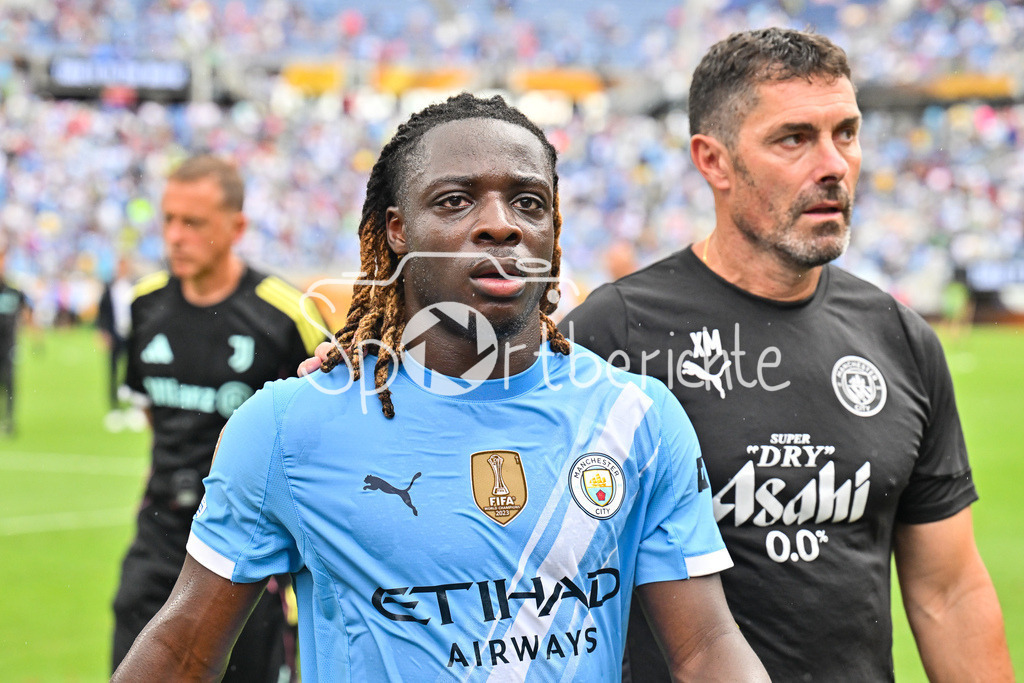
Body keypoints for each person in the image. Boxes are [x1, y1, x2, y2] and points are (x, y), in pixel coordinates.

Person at [113, 94, 769, 681]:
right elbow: (183, 652)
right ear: (396, 230)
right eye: (456, 201)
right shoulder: (290, 426)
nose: (501, 225)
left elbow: (705, 647)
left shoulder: (637, 416)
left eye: (529, 202)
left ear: (553, 232)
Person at [559, 28, 1013, 682]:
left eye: (846, 133)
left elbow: (949, 590)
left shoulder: (901, 339)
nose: (833, 164)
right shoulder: (613, 335)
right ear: (713, 161)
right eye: (794, 139)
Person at [111, 154, 327, 681]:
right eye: (169, 219)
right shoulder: (145, 305)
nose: (175, 236)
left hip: (248, 544)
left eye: (193, 222)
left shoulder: (286, 313)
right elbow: (156, 417)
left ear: (236, 227)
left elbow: (326, 428)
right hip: (160, 533)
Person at [96, 255, 137, 430]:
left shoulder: (134, 286)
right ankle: (114, 407)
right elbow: (103, 311)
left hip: (132, 335)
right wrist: (103, 332)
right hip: (115, 335)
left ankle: (134, 407)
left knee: (133, 372)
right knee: (113, 370)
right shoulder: (110, 287)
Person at [0, 243, 31, 436]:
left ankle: (9, 420)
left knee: (9, 382)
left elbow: (27, 311)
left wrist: (35, 335)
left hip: (8, 345)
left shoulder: (13, 290)